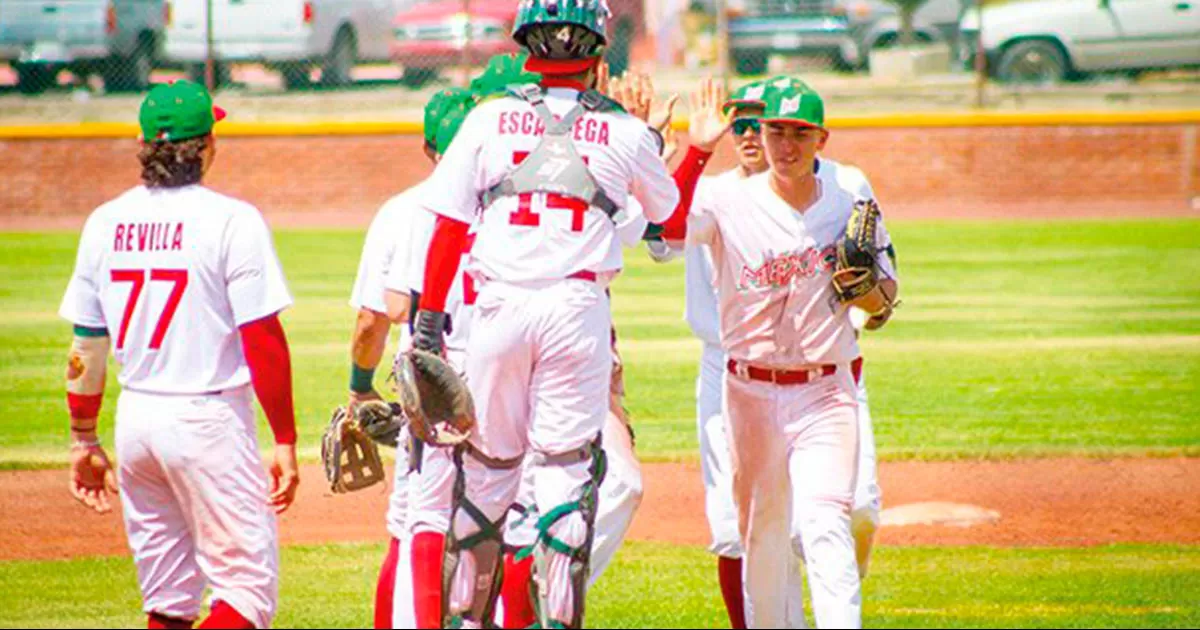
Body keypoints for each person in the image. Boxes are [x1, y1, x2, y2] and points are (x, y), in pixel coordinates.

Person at [408, 0, 680, 625]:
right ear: (598, 47)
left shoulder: (489, 119)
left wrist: (427, 324)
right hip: (575, 309)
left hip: (499, 307)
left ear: (526, 42)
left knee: (485, 474)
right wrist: (655, 143)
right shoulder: (626, 131)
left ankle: (465, 618)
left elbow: (448, 226)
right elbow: (667, 214)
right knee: (563, 476)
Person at [655, 78, 899, 628]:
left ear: (822, 139)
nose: (785, 145)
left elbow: (885, 297)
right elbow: (666, 231)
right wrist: (697, 150)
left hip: (826, 390)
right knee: (762, 541)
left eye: (799, 134)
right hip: (748, 392)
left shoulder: (847, 193)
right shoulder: (726, 198)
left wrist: (872, 296)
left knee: (826, 524)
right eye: (774, 132)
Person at [59, 80, 299, 630]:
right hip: (206, 419)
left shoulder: (104, 222)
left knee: (168, 600)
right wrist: (284, 438)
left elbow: (86, 346)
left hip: (136, 419)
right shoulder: (232, 220)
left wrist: (82, 438)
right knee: (245, 592)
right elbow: (262, 337)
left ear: (146, 145)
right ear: (207, 145)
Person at [347, 85, 477, 629]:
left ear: (429, 147)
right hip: (502, 372)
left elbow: (375, 317)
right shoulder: (512, 206)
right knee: (495, 522)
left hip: (426, 385)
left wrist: (359, 386)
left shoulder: (401, 211)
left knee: (410, 525)